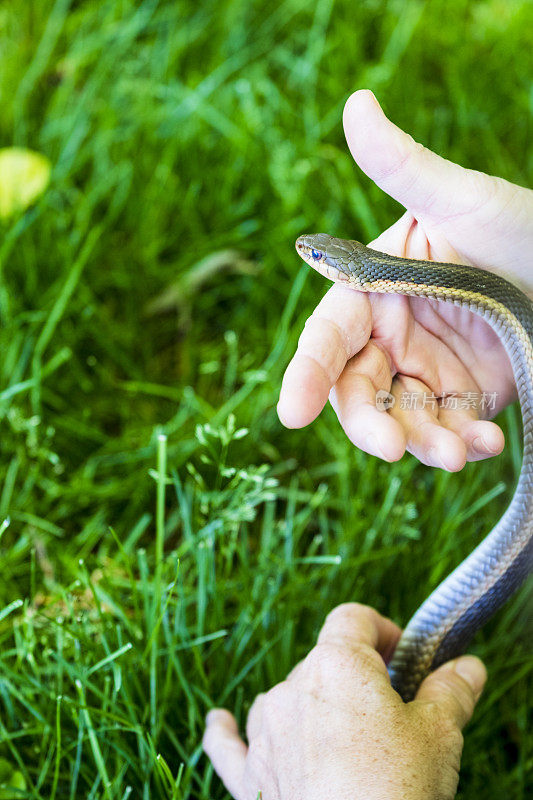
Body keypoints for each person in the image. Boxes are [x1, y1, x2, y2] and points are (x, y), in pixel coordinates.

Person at [203, 90, 533, 799]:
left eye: (319, 260)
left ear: (354, 272)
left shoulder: (431, 275)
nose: (309, 258)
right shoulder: (419, 277)